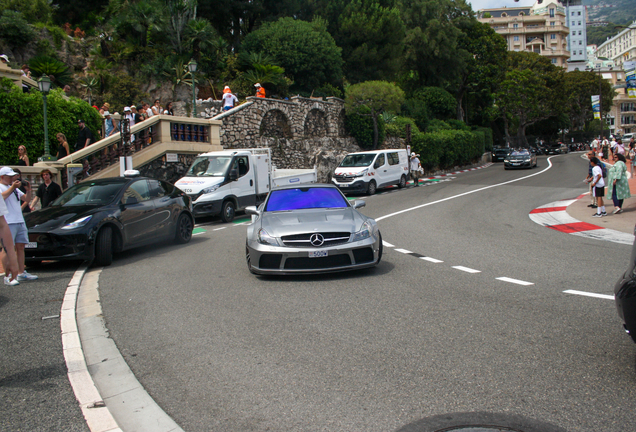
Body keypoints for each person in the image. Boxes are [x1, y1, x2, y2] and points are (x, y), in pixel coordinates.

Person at [0, 166, 37, 285]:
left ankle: (21, 272)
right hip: (8, 222)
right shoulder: (3, 187)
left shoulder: (15, 188)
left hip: (19, 220)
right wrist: (12, 187)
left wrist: (29, 190)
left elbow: (26, 199)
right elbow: (2, 197)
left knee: (21, 246)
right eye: (10, 176)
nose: (13, 178)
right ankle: (8, 276)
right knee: (7, 249)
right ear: (2, 177)